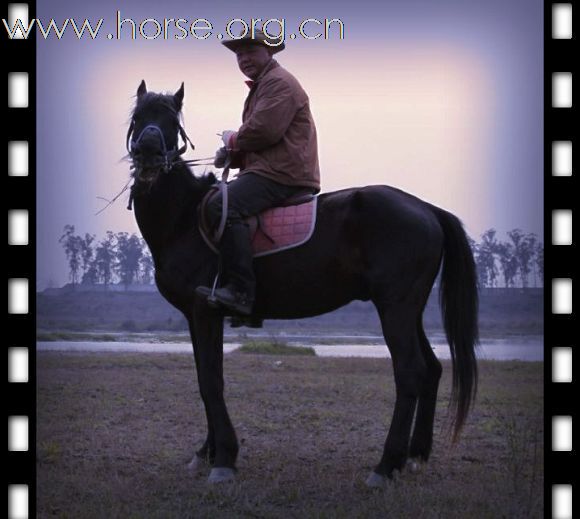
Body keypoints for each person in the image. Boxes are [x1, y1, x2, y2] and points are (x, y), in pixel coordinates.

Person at [196, 28, 321, 315]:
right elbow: (263, 141)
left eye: (250, 51)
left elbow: (264, 132)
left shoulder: (279, 83)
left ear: (269, 51)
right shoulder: (264, 85)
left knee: (221, 206)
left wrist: (231, 139)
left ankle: (241, 291)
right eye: (239, 54)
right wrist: (233, 155)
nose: (244, 58)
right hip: (272, 168)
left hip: (282, 174)